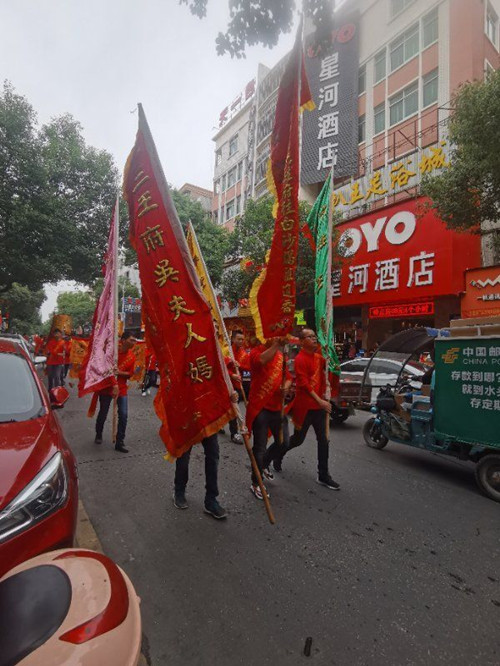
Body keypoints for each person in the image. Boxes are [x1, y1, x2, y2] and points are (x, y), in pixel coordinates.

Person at [272, 329, 340, 490]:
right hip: (305, 407)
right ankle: (277, 455)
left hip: (319, 407)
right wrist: (320, 401)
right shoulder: (300, 359)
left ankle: (323, 475)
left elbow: (329, 371)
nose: (314, 339)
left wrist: (331, 360)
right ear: (302, 341)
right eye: (310, 337)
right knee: (298, 439)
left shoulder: (319, 358)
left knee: (324, 440)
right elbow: (304, 384)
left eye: (314, 336)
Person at [246, 338, 291, 500]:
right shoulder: (255, 352)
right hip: (261, 408)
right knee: (260, 447)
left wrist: (286, 386)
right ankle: (256, 482)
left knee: (284, 443)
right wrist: (277, 344)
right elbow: (261, 361)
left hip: (278, 408)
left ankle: (263, 464)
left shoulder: (281, 356)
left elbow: (288, 376)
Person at [94, 331, 136, 453]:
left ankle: (120, 441)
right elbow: (105, 369)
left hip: (121, 389)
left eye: (134, 340)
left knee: (123, 414)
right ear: (123, 340)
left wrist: (120, 373)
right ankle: (99, 433)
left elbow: (130, 374)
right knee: (103, 412)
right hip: (107, 387)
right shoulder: (111, 352)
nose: (134, 343)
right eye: (131, 340)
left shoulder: (132, 356)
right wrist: (114, 383)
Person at [173, 434, 227, 520]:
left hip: (207, 426)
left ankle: (211, 499)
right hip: (187, 427)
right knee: (183, 456)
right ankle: (179, 491)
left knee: (213, 454)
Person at [225, 329, 250, 444]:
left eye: (242, 339)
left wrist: (240, 366)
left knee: (234, 408)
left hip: (238, 385)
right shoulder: (226, 351)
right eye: (239, 339)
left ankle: (233, 430)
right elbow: (221, 368)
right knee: (231, 409)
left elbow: (248, 367)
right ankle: (234, 432)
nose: (241, 341)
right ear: (233, 339)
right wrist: (232, 374)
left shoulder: (243, 353)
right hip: (226, 384)